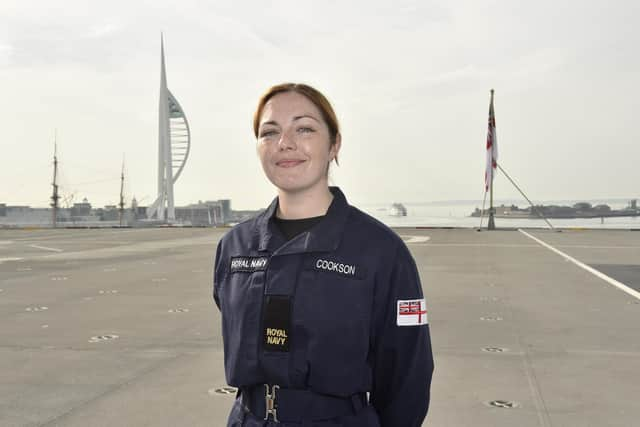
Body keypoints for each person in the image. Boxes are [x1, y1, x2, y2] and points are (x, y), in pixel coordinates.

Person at [213, 83, 434, 426]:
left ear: (334, 144)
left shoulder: (381, 252)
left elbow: (408, 377)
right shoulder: (234, 248)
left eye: (304, 128)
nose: (285, 142)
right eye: (269, 132)